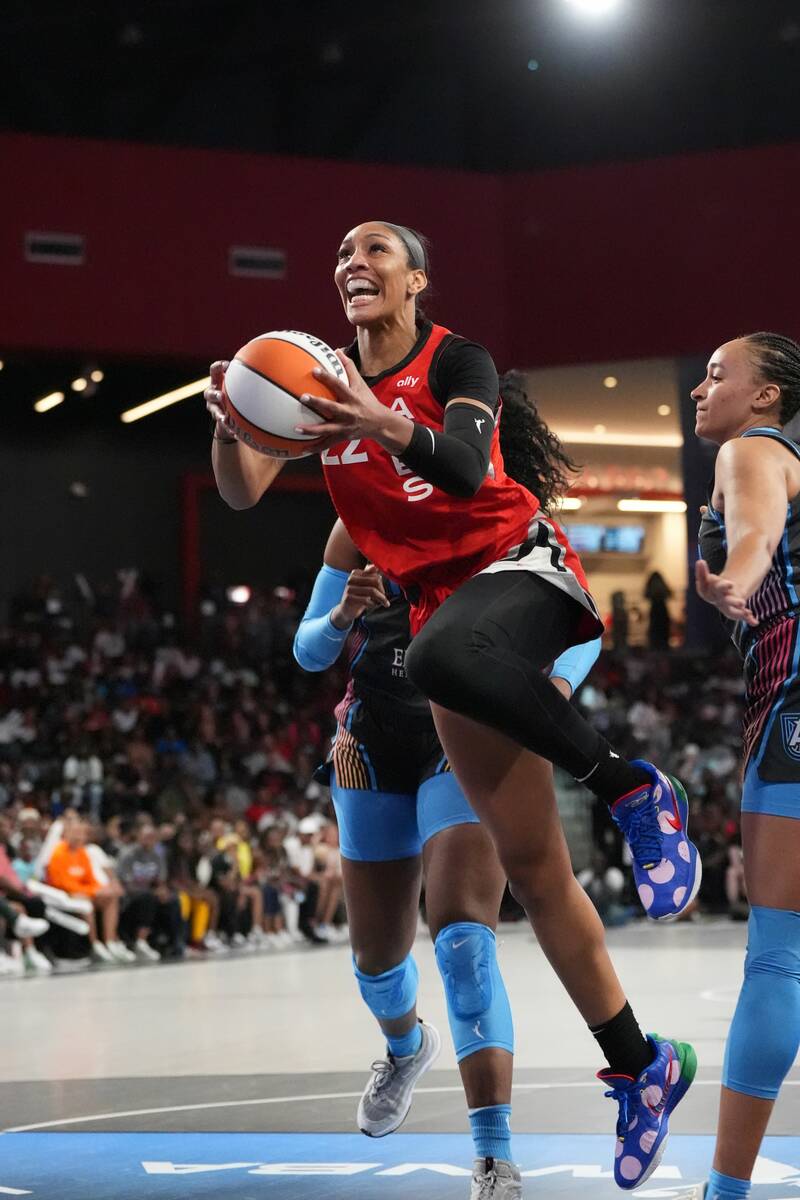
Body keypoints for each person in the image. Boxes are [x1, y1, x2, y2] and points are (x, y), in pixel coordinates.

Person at [208, 220, 699, 1187]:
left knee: (439, 655)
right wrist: (232, 422)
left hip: (523, 572)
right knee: (537, 872)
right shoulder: (314, 387)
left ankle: (631, 786)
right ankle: (645, 1063)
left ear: (416, 280)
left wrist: (379, 419)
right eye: (341, 252)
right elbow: (239, 494)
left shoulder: (453, 357)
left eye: (376, 251)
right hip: (448, 640)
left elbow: (469, 469)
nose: (353, 261)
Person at [677, 332, 800, 1200]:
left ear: (766, 398)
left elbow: (757, 532)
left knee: (778, 960)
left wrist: (739, 575)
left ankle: (727, 1194)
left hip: (795, 696)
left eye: (719, 376)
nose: (699, 388)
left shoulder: (752, 448)